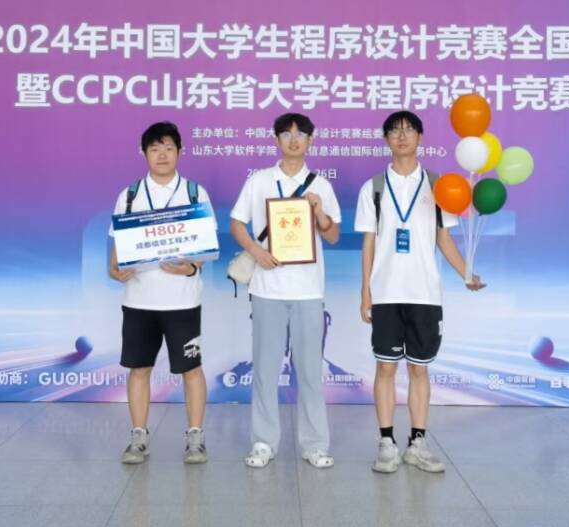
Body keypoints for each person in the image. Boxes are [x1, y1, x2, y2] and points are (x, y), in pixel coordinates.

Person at [355, 110, 485, 474]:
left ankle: (417, 443)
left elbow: (444, 238)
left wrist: (467, 274)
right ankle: (386, 443)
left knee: (419, 370)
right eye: (395, 131)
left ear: (420, 138)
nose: (402, 136)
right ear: (386, 139)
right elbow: (369, 242)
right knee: (385, 367)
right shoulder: (373, 188)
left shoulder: (439, 185)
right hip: (386, 292)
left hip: (425, 293)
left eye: (409, 130)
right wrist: (365, 292)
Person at [230, 112, 342, 470]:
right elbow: (236, 222)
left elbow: (333, 235)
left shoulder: (321, 185)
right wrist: (257, 251)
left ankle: (315, 444)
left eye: (301, 134)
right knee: (265, 370)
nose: (294, 140)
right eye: (287, 134)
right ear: (276, 139)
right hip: (267, 289)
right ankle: (263, 442)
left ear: (311, 140)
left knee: (309, 371)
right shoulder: (260, 181)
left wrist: (319, 212)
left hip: (308, 290)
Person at [108, 121, 212, 464]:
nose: (162, 155)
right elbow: (117, 247)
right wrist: (114, 269)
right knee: (139, 369)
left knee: (191, 369)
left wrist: (191, 267)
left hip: (183, 301)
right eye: (155, 149)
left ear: (180, 152)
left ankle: (195, 437)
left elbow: (205, 247)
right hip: (139, 300)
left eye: (168, 148)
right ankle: (138, 437)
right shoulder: (130, 194)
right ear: (144, 153)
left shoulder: (195, 193)